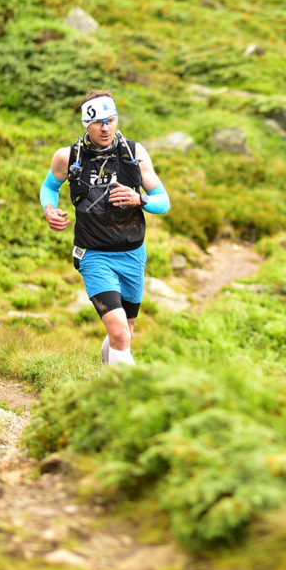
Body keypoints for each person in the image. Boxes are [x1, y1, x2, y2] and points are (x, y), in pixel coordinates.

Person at [40, 90, 170, 367]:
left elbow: (164, 202)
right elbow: (49, 187)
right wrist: (49, 210)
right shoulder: (68, 157)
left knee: (125, 332)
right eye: (98, 122)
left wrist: (140, 199)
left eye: (110, 120)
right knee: (121, 335)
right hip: (94, 255)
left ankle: (104, 375)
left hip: (133, 254)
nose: (105, 128)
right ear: (86, 124)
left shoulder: (134, 153)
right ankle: (123, 400)